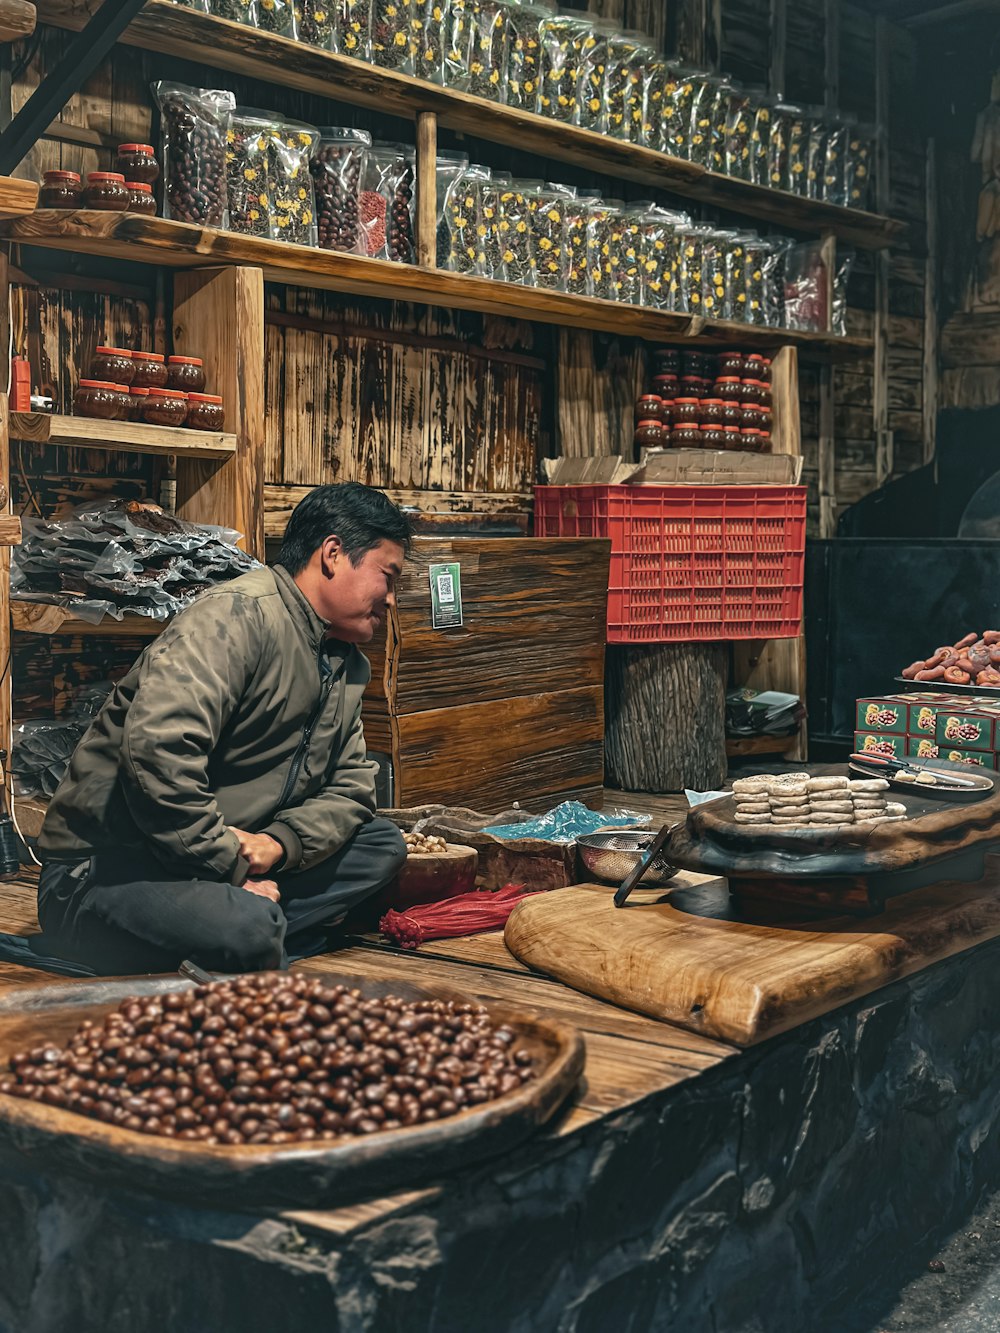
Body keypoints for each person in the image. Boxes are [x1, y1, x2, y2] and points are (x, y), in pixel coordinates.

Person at [31, 482, 411, 976]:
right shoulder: (237, 617)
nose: (393, 600)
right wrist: (229, 866)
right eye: (389, 576)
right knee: (248, 928)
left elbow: (353, 788)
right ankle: (249, 929)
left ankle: (240, 928)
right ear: (333, 554)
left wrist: (280, 843)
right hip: (108, 872)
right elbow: (158, 755)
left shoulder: (344, 664)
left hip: (224, 859)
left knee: (381, 846)